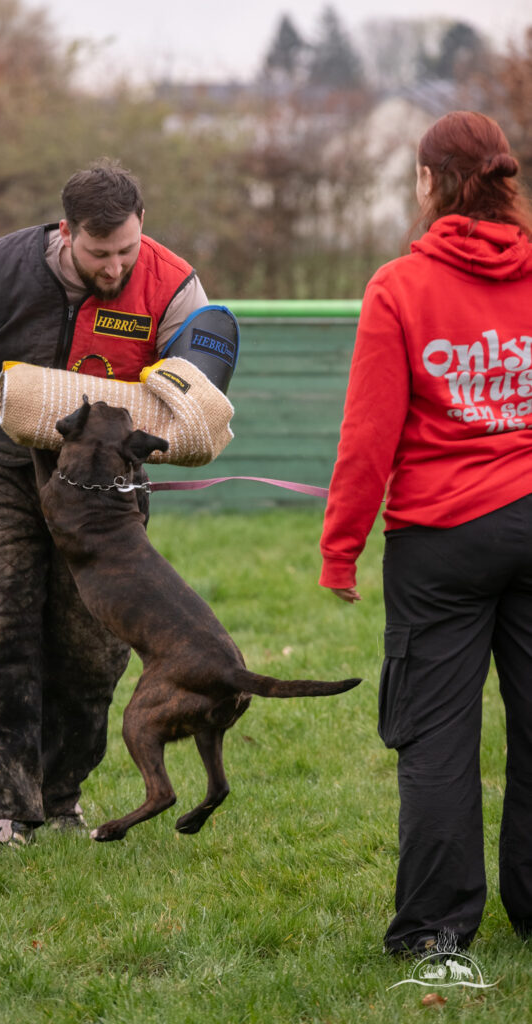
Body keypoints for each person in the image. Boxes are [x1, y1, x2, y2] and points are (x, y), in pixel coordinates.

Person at [0, 159, 209, 848]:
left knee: (91, 653)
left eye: (126, 249)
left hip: (107, 496)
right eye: (99, 253)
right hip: (4, 468)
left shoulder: (174, 284)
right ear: (66, 233)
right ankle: (3, 804)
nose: (115, 266)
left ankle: (60, 797)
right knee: (3, 633)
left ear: (141, 224)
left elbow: (197, 387)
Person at [319, 111, 532, 953]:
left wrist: (340, 549)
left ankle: (435, 931)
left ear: (427, 183)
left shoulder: (398, 286)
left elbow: (367, 437)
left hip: (439, 542)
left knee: (437, 738)